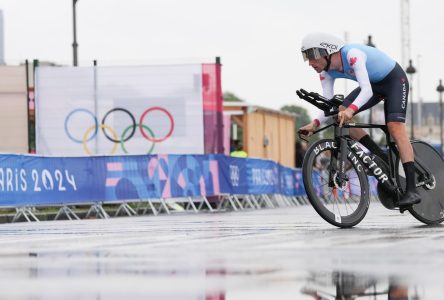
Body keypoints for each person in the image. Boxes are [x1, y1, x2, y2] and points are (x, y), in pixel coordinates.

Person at [298, 32, 420, 207]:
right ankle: (380, 155)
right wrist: (314, 124)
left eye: (312, 56)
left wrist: (351, 110)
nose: (310, 62)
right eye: (306, 57)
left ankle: (412, 189)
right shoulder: (325, 72)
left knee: (394, 127)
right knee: (338, 112)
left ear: (327, 51)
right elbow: (328, 107)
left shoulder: (352, 55)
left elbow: (366, 91)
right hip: (374, 85)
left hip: (394, 80)